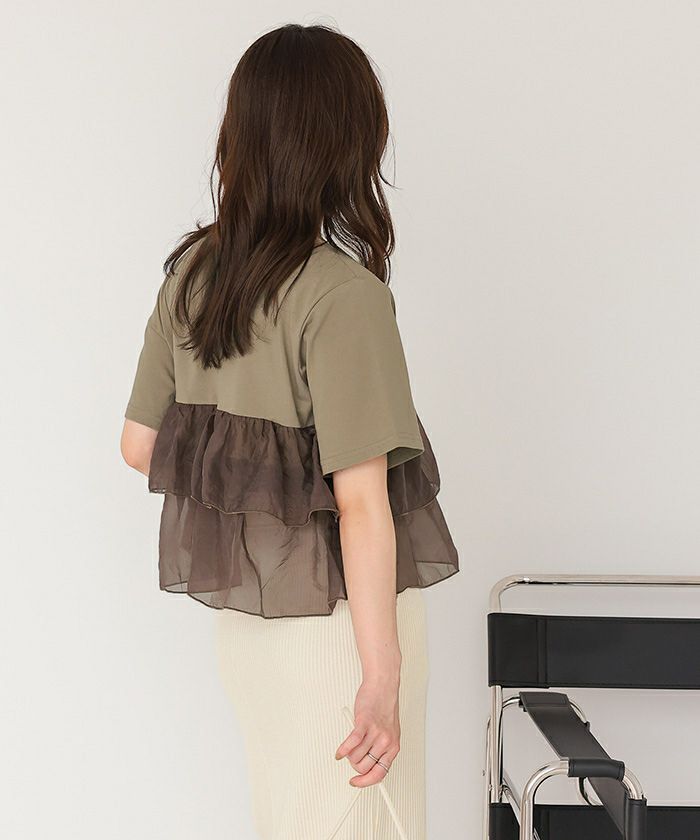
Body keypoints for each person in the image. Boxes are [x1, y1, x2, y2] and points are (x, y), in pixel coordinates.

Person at [120, 22, 458, 840]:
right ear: (345, 142)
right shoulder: (342, 296)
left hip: (253, 635)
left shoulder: (193, 276)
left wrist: (252, 466)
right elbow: (362, 505)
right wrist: (381, 678)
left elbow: (139, 445)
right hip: (346, 638)